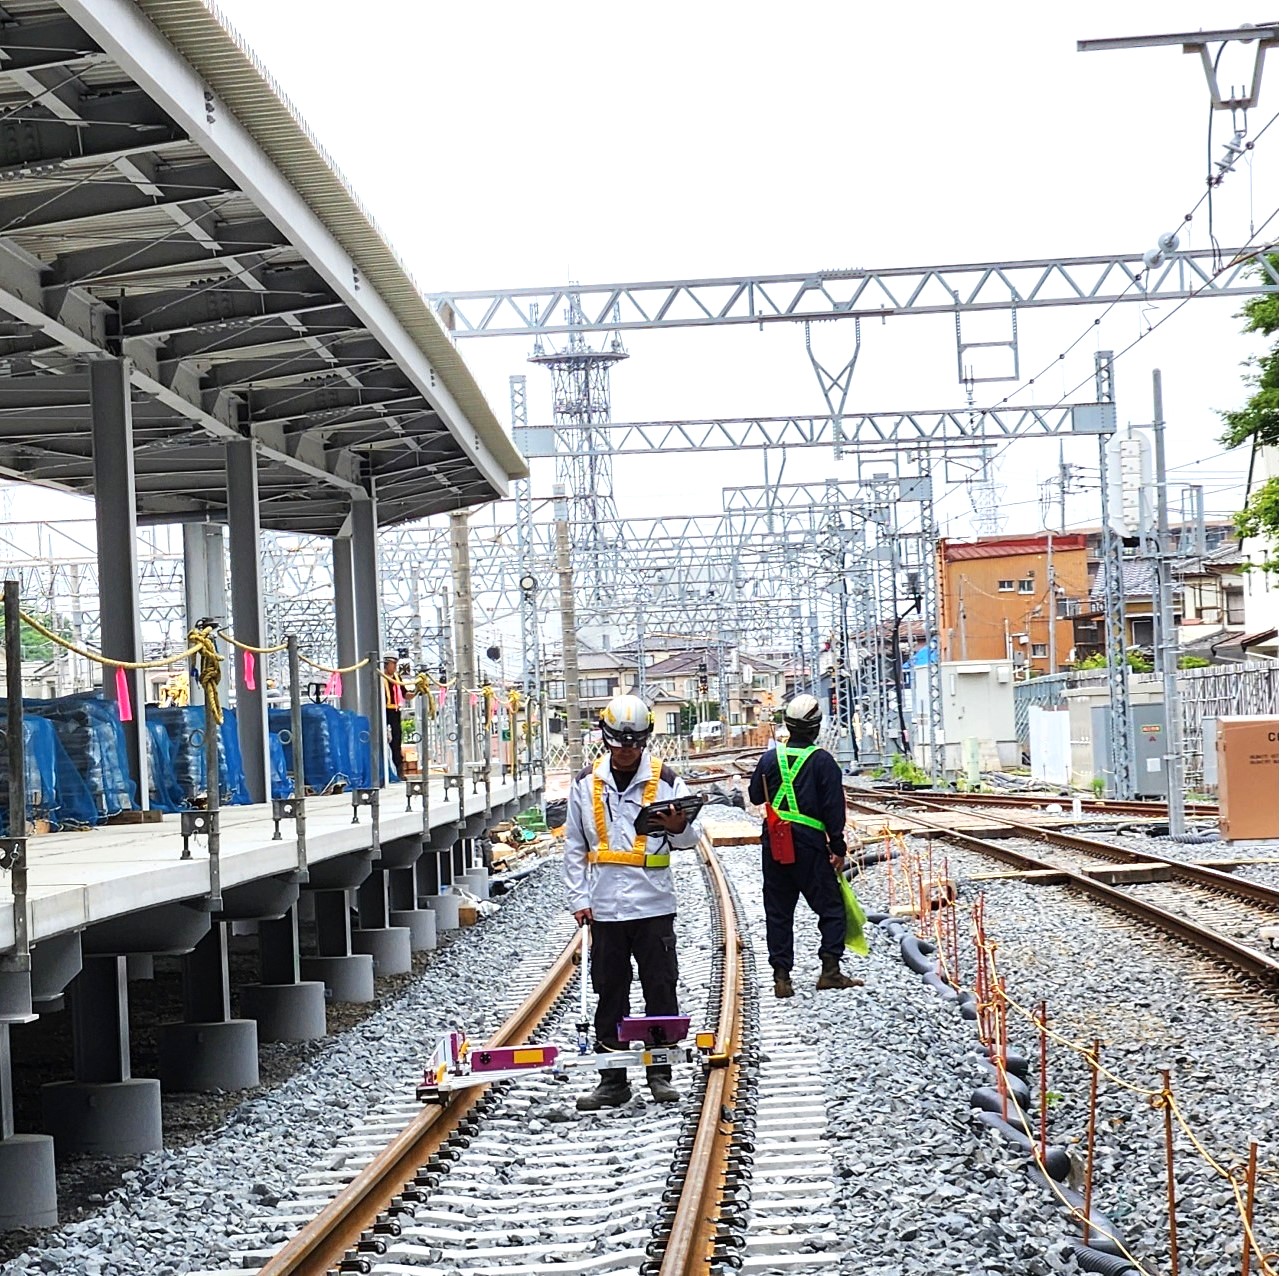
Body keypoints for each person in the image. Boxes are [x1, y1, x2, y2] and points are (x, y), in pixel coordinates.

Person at [563, 694, 702, 1110]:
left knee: (660, 986)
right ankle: (612, 1079)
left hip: (654, 903)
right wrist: (578, 898)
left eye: (634, 742)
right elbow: (574, 845)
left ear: (645, 740)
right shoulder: (586, 783)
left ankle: (659, 1072)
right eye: (620, 742)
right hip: (605, 905)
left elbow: (692, 842)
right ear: (605, 738)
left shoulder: (668, 780)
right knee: (610, 989)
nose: (626, 750)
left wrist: (679, 829)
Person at [748, 693, 862, 998]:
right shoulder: (823, 762)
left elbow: (756, 797)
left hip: (775, 842)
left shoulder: (770, 758)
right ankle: (830, 971)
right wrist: (837, 847)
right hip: (810, 846)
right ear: (816, 728)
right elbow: (833, 810)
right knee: (830, 907)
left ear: (787, 725)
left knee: (779, 911)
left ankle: (782, 978)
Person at [381, 653, 413, 781]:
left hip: (395, 711)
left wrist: (416, 692)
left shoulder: (397, 677)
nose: (394, 667)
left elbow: (405, 694)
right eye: (393, 664)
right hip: (383, 711)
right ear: (386, 664)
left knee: (397, 740)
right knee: (381, 739)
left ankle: (399, 769)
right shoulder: (381, 677)